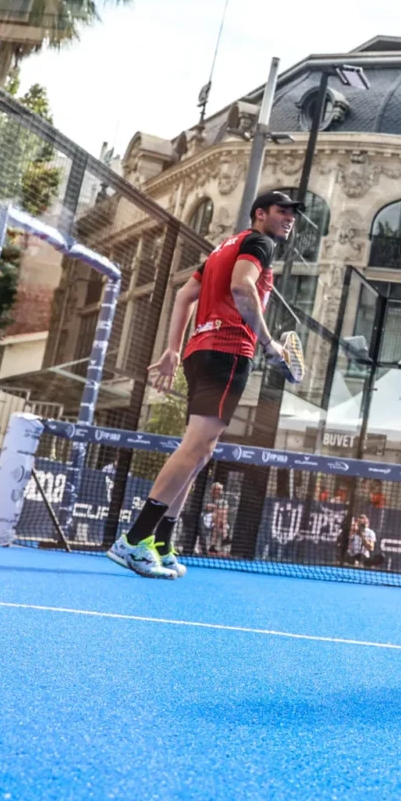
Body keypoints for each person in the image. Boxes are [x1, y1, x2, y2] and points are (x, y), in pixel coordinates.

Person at [113, 191, 298, 579]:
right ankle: (133, 540)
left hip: (201, 352)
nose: (289, 219)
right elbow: (243, 288)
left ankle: (161, 540)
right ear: (260, 214)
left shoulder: (222, 249)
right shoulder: (258, 243)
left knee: (201, 450)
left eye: (293, 214)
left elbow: (184, 295)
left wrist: (172, 350)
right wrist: (268, 343)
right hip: (228, 351)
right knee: (196, 446)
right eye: (282, 211)